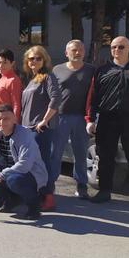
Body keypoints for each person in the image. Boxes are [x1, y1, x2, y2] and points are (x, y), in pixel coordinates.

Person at [86, 36, 129, 207]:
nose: (116, 50)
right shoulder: (102, 70)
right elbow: (93, 97)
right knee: (105, 155)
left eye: (121, 47)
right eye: (113, 47)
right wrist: (90, 119)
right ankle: (105, 190)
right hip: (107, 118)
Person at [50, 40, 95, 200]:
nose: (78, 52)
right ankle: (51, 184)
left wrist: (92, 117)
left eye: (81, 50)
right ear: (66, 53)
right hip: (60, 116)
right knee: (55, 152)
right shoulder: (57, 69)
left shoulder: (91, 70)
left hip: (81, 118)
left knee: (80, 153)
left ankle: (81, 185)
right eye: (74, 50)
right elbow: (52, 93)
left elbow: (94, 95)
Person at [20, 46, 60, 211]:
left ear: (44, 60)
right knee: (33, 164)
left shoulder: (48, 77)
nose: (34, 61)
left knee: (43, 163)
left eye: (38, 58)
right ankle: (37, 195)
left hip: (40, 129)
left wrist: (44, 120)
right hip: (27, 128)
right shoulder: (33, 79)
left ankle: (48, 197)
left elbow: (56, 98)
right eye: (31, 59)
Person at [0, 49, 23, 122]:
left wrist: (14, 124)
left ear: (12, 63)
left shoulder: (13, 80)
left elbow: (16, 104)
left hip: (7, 124)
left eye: (5, 63)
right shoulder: (2, 79)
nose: (1, 65)